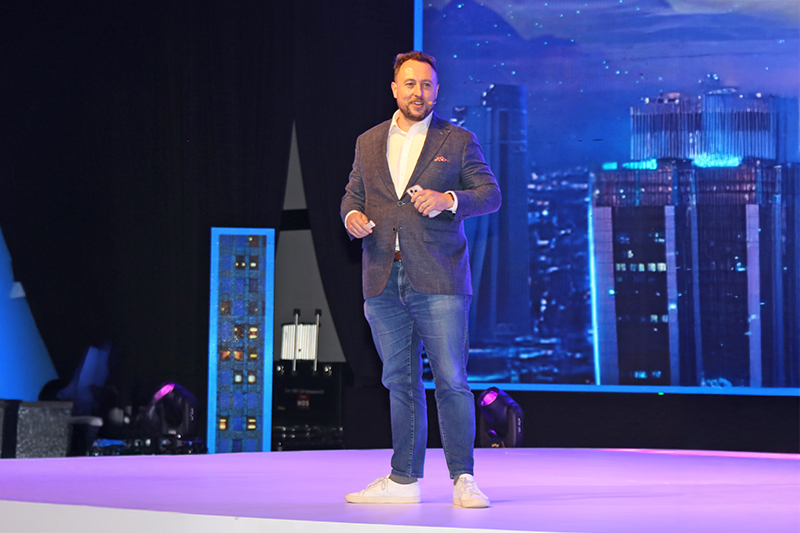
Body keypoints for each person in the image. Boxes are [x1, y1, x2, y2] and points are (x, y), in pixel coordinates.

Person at [340, 51, 501, 508]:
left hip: (440, 277)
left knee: (452, 380)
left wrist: (449, 198)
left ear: (437, 91)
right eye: (410, 84)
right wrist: (351, 217)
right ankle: (403, 479)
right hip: (381, 275)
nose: (419, 92)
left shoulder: (459, 139)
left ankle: (463, 478)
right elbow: (352, 195)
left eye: (427, 85)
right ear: (395, 88)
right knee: (399, 381)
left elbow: (490, 194)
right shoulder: (368, 141)